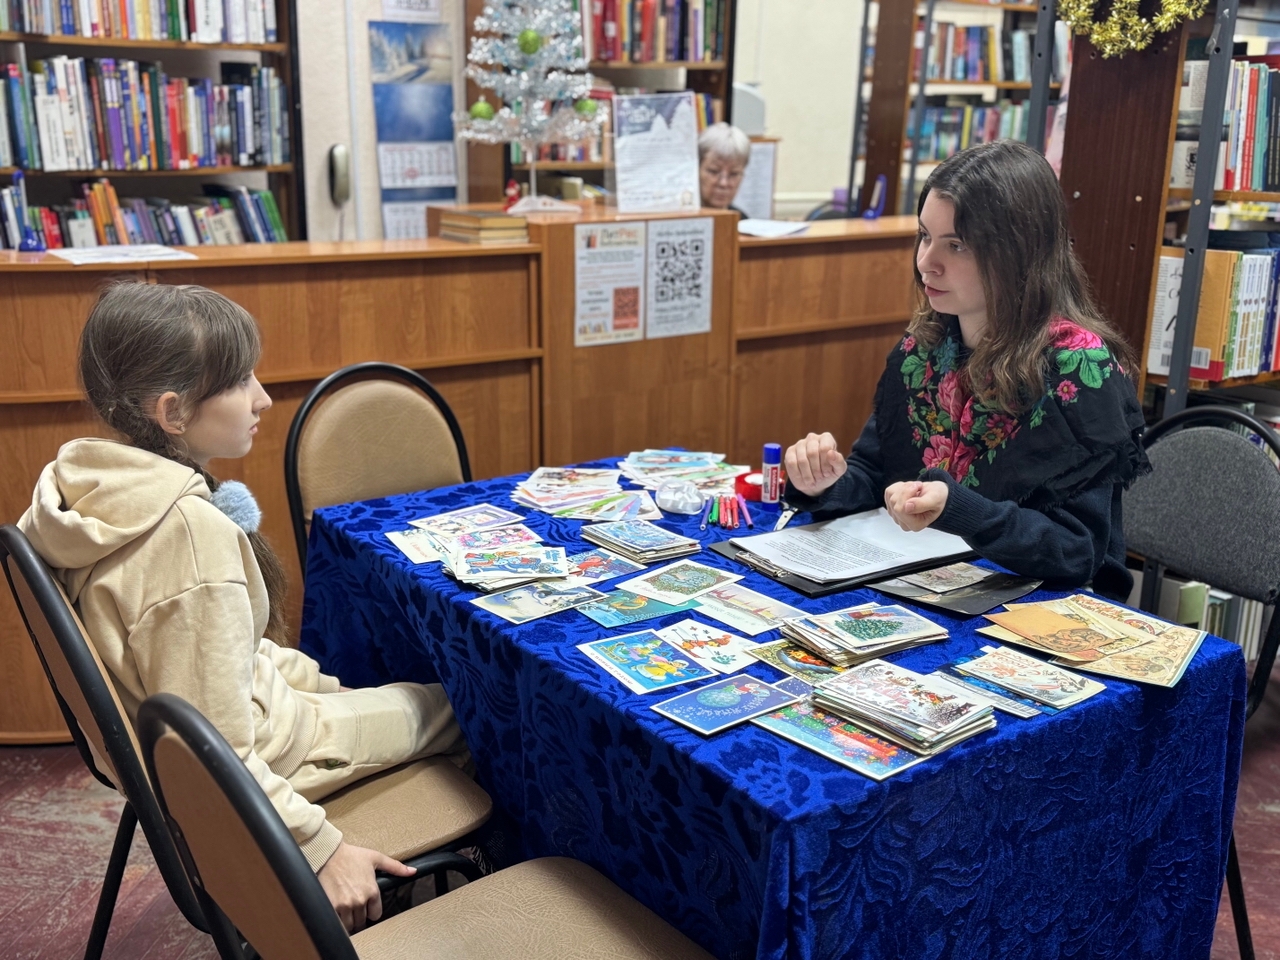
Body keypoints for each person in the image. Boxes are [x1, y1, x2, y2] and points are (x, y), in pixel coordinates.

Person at [19, 282, 470, 932]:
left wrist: (325, 687)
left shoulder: (84, 486)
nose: (263, 398)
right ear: (173, 412)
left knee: (397, 691)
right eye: (239, 382)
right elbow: (221, 752)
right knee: (471, 711)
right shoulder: (191, 541)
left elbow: (222, 661)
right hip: (266, 763)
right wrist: (320, 849)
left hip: (220, 739)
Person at [783, 140, 1150, 601]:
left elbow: (1077, 553)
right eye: (924, 236)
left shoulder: (1079, 370)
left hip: (1038, 605)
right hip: (925, 584)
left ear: (1017, 254)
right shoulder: (924, 346)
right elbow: (876, 475)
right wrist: (825, 482)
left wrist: (959, 510)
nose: (926, 263)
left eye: (955, 245)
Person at [698, 122, 751, 218]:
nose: (723, 183)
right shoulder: (679, 219)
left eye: (734, 174)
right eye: (714, 171)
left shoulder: (742, 221)